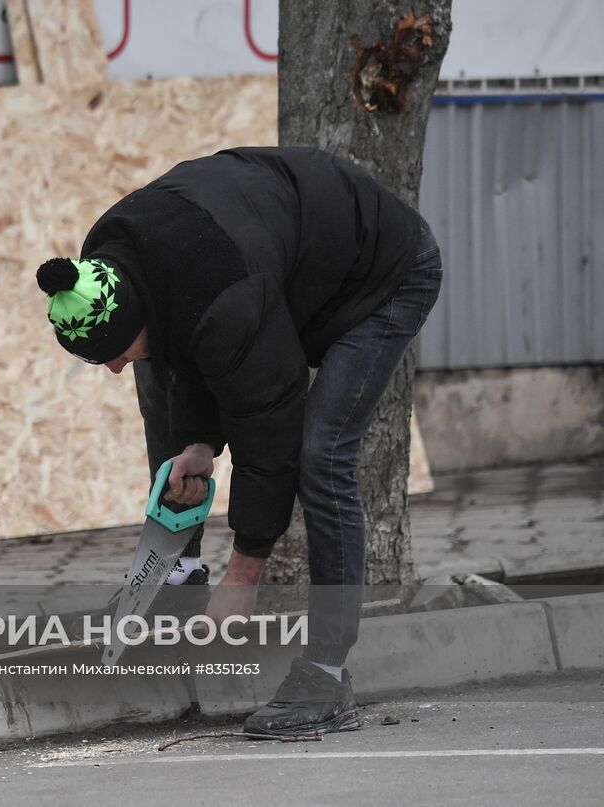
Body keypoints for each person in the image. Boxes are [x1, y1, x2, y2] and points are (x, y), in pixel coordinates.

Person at [35, 147, 441, 736]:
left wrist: (244, 573)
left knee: (318, 455)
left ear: (134, 316)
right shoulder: (116, 256)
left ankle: (325, 672)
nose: (114, 370)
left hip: (381, 276)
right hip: (271, 271)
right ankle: (177, 578)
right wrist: (198, 442)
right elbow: (186, 338)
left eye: (115, 354)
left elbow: (267, 424)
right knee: (159, 372)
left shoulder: (222, 300)